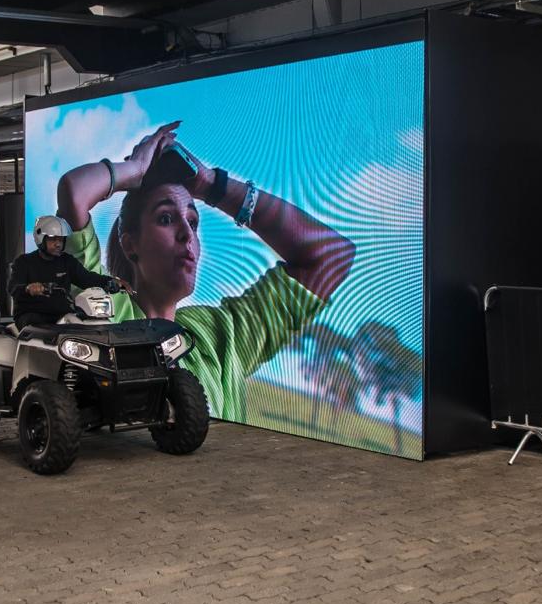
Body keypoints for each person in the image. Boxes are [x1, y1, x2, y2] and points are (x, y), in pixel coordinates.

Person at [55, 122, 356, 422]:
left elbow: (329, 255)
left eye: (193, 222)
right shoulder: (103, 307)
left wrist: (213, 186)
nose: (188, 234)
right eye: (166, 218)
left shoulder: (219, 334)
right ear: (130, 244)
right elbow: (74, 191)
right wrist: (133, 169)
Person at [7, 216, 126, 330]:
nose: (58, 244)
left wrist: (111, 281)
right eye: (53, 239)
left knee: (90, 326)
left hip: (62, 314)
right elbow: (13, 288)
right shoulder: (24, 262)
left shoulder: (67, 261)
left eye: (61, 239)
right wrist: (28, 288)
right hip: (32, 315)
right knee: (39, 329)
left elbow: (87, 278)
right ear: (41, 239)